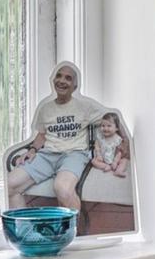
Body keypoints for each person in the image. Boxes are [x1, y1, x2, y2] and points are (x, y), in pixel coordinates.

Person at [15, 62, 104, 211]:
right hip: (48, 155)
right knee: (12, 184)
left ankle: (73, 233)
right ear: (53, 81)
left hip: (74, 154)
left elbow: (112, 118)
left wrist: (123, 144)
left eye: (68, 78)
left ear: (75, 86)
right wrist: (31, 151)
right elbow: (42, 135)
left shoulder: (85, 107)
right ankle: (23, 230)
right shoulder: (45, 108)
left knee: (62, 188)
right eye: (59, 76)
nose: (62, 81)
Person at [92, 111, 130, 177]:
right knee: (93, 161)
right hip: (102, 158)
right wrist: (98, 154)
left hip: (115, 158)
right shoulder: (100, 136)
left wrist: (115, 161)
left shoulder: (118, 139)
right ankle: (105, 166)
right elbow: (97, 144)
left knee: (124, 160)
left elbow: (119, 152)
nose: (105, 128)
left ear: (116, 128)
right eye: (103, 126)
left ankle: (119, 171)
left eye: (109, 126)